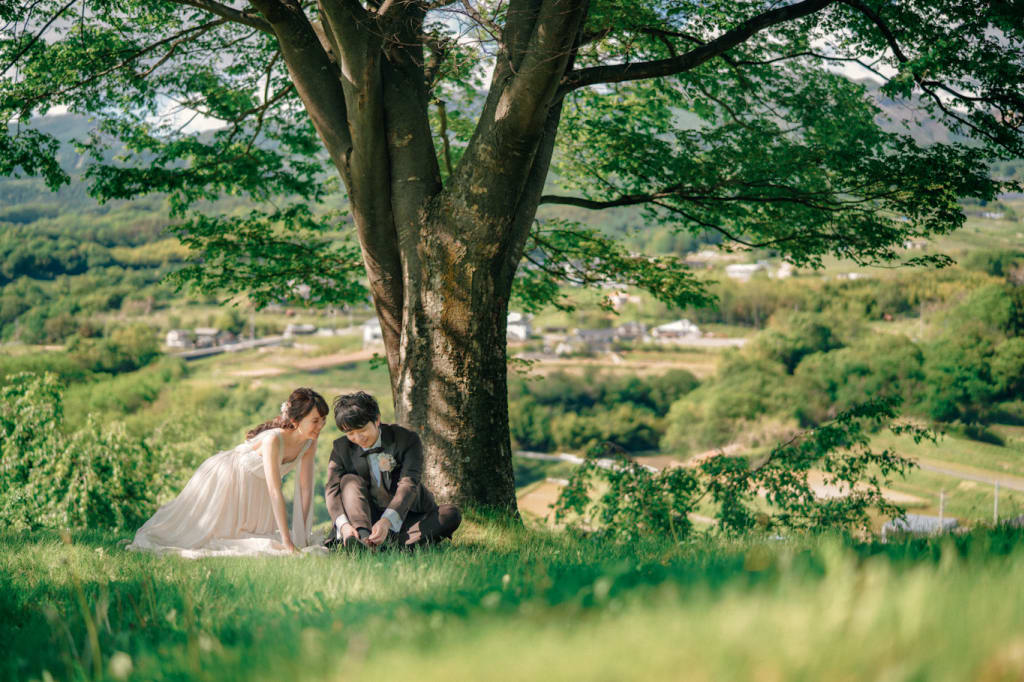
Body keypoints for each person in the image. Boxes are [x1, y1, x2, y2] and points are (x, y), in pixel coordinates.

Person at [127, 387, 328, 558]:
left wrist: (302, 535)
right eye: (315, 420)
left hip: (255, 488)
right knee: (196, 537)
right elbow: (275, 491)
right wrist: (288, 543)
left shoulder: (309, 443)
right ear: (295, 420)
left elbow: (305, 490)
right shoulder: (274, 440)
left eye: (323, 420)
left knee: (250, 537)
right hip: (229, 477)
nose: (321, 426)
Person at [324, 392, 461, 550]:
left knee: (450, 514)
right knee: (349, 481)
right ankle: (362, 539)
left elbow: (409, 484)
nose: (358, 438)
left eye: (361, 430)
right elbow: (331, 490)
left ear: (377, 420)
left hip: (404, 516)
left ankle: (381, 545)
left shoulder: (407, 440)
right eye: (350, 433)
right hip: (363, 518)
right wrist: (344, 527)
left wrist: (387, 522)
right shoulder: (341, 448)